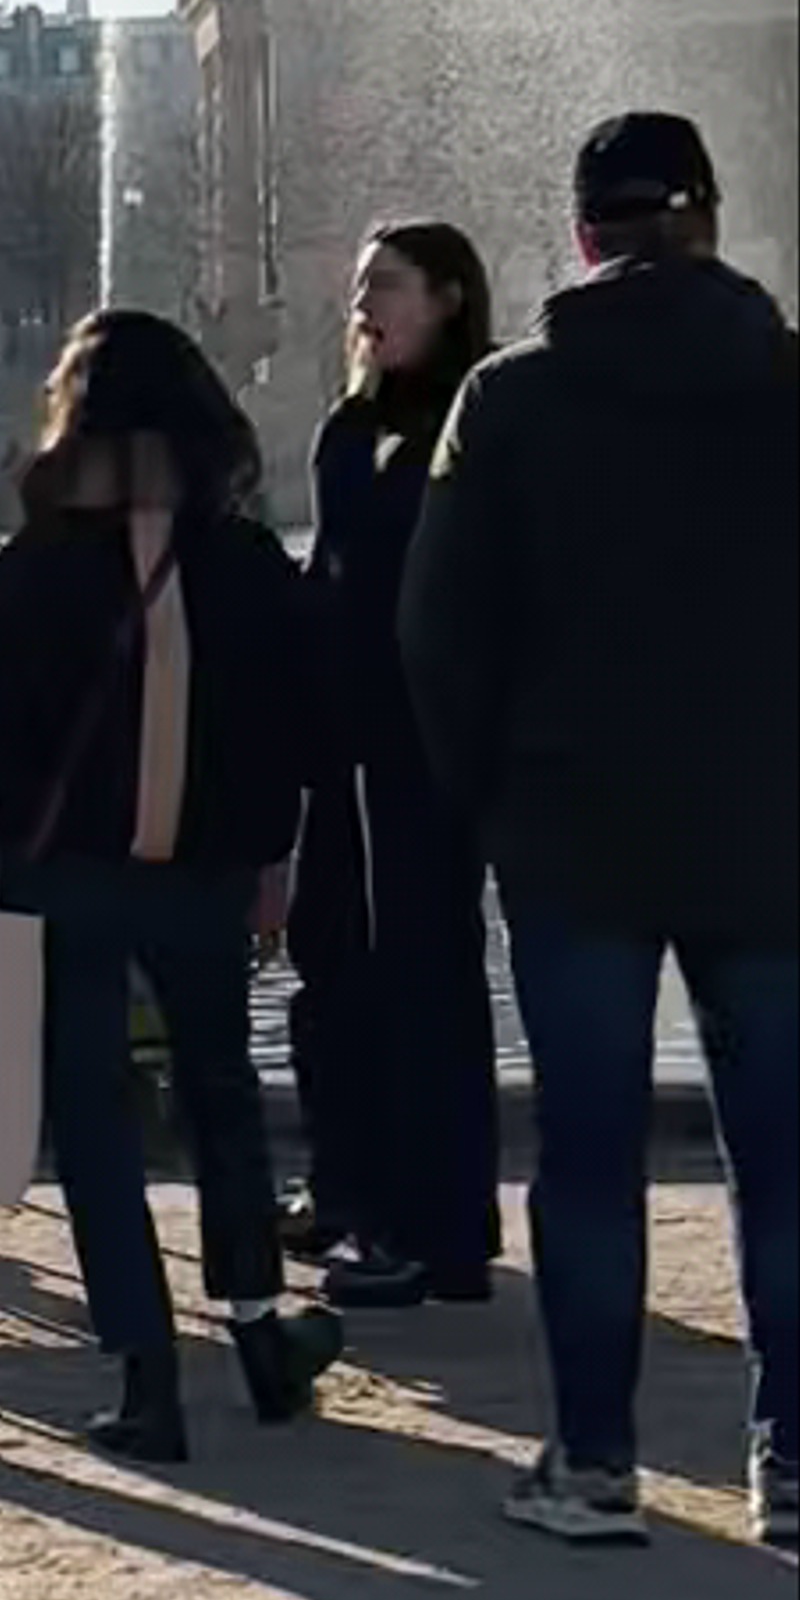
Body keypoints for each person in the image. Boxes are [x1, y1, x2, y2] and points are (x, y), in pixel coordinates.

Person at [401, 110, 798, 1555]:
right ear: (707, 220)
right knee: (785, 1157)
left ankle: (595, 1458)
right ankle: (796, 1460)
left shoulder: (509, 399)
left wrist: (483, 795)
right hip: (773, 823)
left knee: (585, 1153)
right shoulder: (789, 375)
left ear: (581, 231)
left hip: (572, 823)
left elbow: (440, 630)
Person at [0, 313, 337, 1467]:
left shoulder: (31, 569)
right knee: (221, 1090)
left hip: (67, 870)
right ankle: (258, 1331)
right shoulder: (247, 561)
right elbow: (303, 727)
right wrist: (268, 851)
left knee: (95, 1111)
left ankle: (143, 1370)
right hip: (206, 868)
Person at [288, 222, 502, 1311]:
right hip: (343, 736)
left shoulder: (468, 423)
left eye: (388, 283)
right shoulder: (352, 424)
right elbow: (331, 576)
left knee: (423, 970)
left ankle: (438, 1226)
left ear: (452, 297)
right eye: (360, 281)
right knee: (332, 959)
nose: (363, 300)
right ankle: (356, 1188)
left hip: (420, 737)